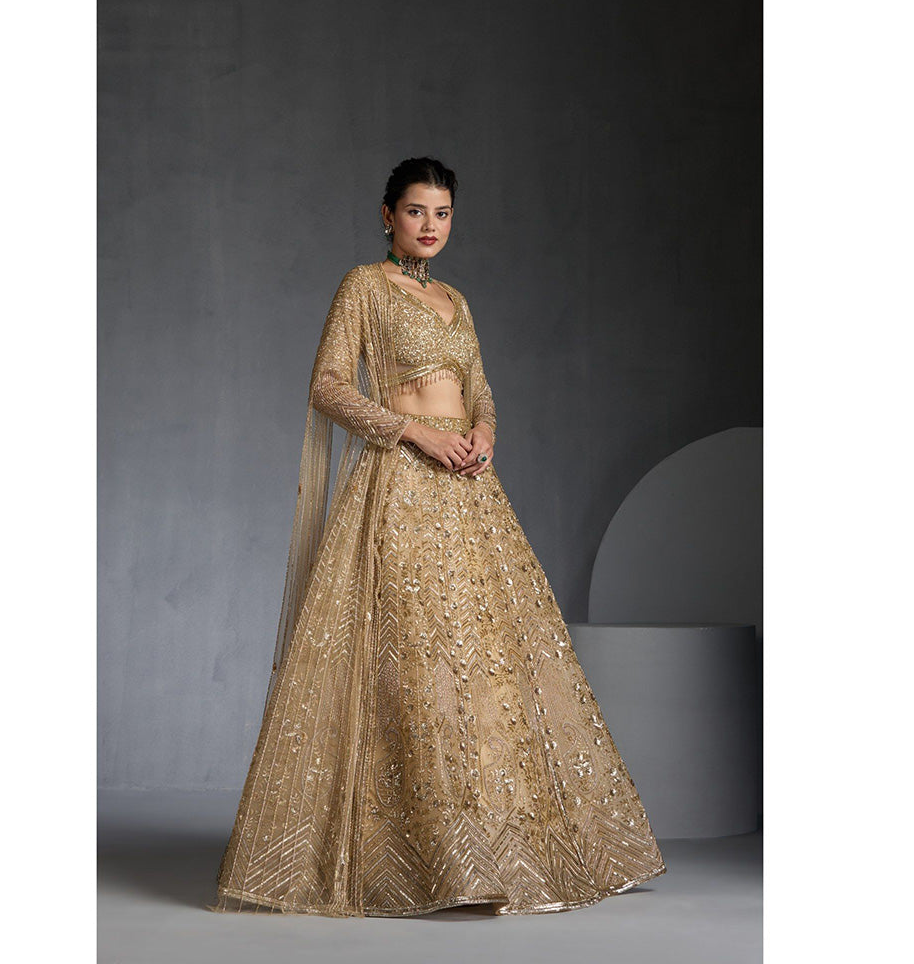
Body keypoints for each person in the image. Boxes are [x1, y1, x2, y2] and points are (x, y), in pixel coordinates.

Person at [209, 157, 666, 917]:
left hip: (469, 489)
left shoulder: (456, 300)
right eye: (416, 211)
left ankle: (501, 850)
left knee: (488, 664)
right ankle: (426, 860)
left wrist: (484, 430)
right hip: (400, 484)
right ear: (387, 215)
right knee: (414, 660)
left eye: (443, 213)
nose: (430, 225)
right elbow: (327, 385)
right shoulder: (363, 286)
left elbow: (480, 389)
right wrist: (416, 432)